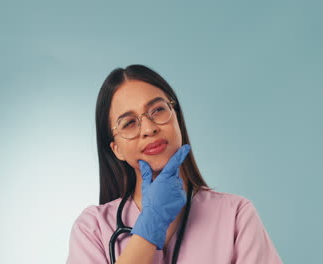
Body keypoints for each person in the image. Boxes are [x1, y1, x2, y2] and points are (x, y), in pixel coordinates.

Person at [66, 64, 283, 264]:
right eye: (130, 123)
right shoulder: (93, 228)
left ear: (176, 117)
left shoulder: (236, 215)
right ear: (117, 149)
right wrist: (150, 228)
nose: (149, 128)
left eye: (158, 110)